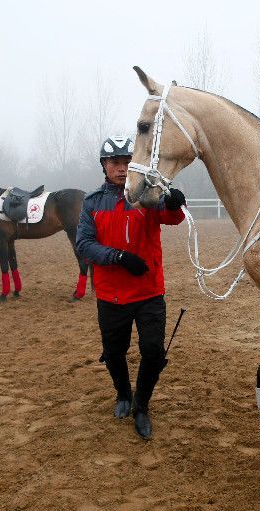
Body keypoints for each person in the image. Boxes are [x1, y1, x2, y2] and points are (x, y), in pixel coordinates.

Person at [75, 135, 187, 440]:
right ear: (104, 165)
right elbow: (84, 245)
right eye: (115, 162)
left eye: (127, 162)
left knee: (153, 352)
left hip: (148, 292)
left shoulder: (147, 196)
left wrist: (175, 203)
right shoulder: (92, 202)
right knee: (114, 353)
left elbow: (172, 216)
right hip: (110, 295)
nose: (122, 168)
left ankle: (142, 405)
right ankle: (123, 393)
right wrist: (119, 257)